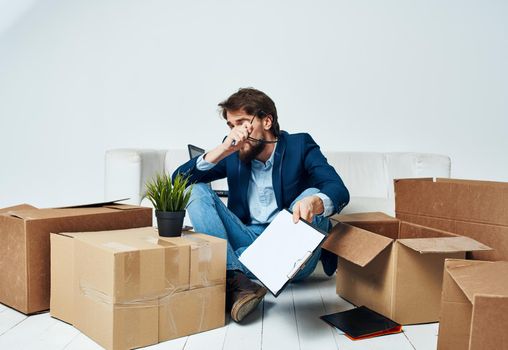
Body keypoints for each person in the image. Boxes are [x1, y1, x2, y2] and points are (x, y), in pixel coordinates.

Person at [173, 88, 349, 322]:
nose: (237, 131)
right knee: (194, 189)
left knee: (313, 192)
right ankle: (236, 276)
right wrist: (222, 149)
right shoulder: (233, 152)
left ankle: (229, 265)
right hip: (247, 236)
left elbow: (338, 189)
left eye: (242, 122)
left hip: (289, 248)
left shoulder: (299, 145)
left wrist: (316, 202)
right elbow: (178, 181)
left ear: (267, 121)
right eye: (230, 125)